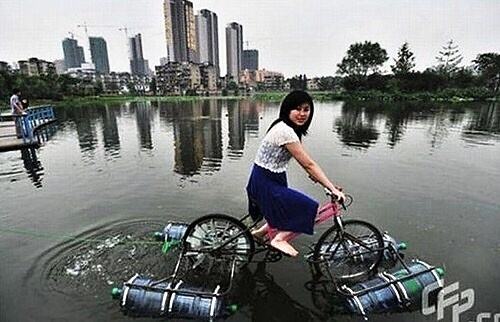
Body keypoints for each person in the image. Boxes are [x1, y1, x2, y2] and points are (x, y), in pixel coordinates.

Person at [246, 90, 345, 257]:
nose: (302, 114)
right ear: (287, 110)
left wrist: (325, 183)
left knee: (286, 210)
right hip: (265, 183)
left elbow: (305, 162)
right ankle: (278, 240)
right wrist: (331, 188)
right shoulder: (285, 131)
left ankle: (260, 234)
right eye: (297, 109)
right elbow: (308, 164)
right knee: (309, 207)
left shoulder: (289, 129)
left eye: (306, 109)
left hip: (269, 178)